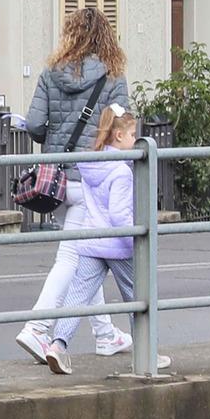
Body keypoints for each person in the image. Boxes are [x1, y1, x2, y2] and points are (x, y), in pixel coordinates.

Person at [14, 7, 132, 364]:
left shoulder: (52, 73)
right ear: (105, 37)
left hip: (59, 179)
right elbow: (121, 127)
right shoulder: (113, 76)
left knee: (88, 256)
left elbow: (35, 124)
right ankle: (37, 328)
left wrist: (51, 132)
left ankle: (105, 334)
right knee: (73, 258)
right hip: (94, 180)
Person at [42, 105, 170, 376]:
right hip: (119, 245)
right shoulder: (121, 171)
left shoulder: (92, 163)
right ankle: (147, 353)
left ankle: (58, 345)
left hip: (92, 239)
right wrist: (138, 236)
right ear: (119, 136)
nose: (136, 139)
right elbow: (119, 214)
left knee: (77, 296)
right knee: (139, 297)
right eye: (133, 133)